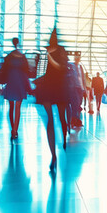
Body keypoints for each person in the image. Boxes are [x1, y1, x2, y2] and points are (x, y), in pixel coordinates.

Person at [32, 28, 70, 172]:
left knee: (59, 118)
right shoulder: (51, 51)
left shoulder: (58, 51)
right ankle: (53, 154)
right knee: (52, 119)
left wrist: (50, 57)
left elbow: (61, 67)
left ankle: (63, 140)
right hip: (51, 86)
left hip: (58, 87)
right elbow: (45, 70)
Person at [1, 38, 30, 139]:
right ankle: (15, 130)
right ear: (18, 43)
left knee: (11, 107)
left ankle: (12, 128)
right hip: (20, 83)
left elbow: (4, 69)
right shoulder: (22, 57)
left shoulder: (9, 57)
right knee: (18, 107)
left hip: (11, 81)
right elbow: (27, 71)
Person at [67, 56, 86, 128]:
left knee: (78, 104)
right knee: (75, 104)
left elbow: (82, 77)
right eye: (76, 58)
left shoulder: (80, 67)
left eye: (79, 58)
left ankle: (76, 120)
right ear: (75, 59)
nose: (78, 59)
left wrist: (84, 87)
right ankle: (74, 120)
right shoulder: (71, 66)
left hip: (80, 88)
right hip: (74, 87)